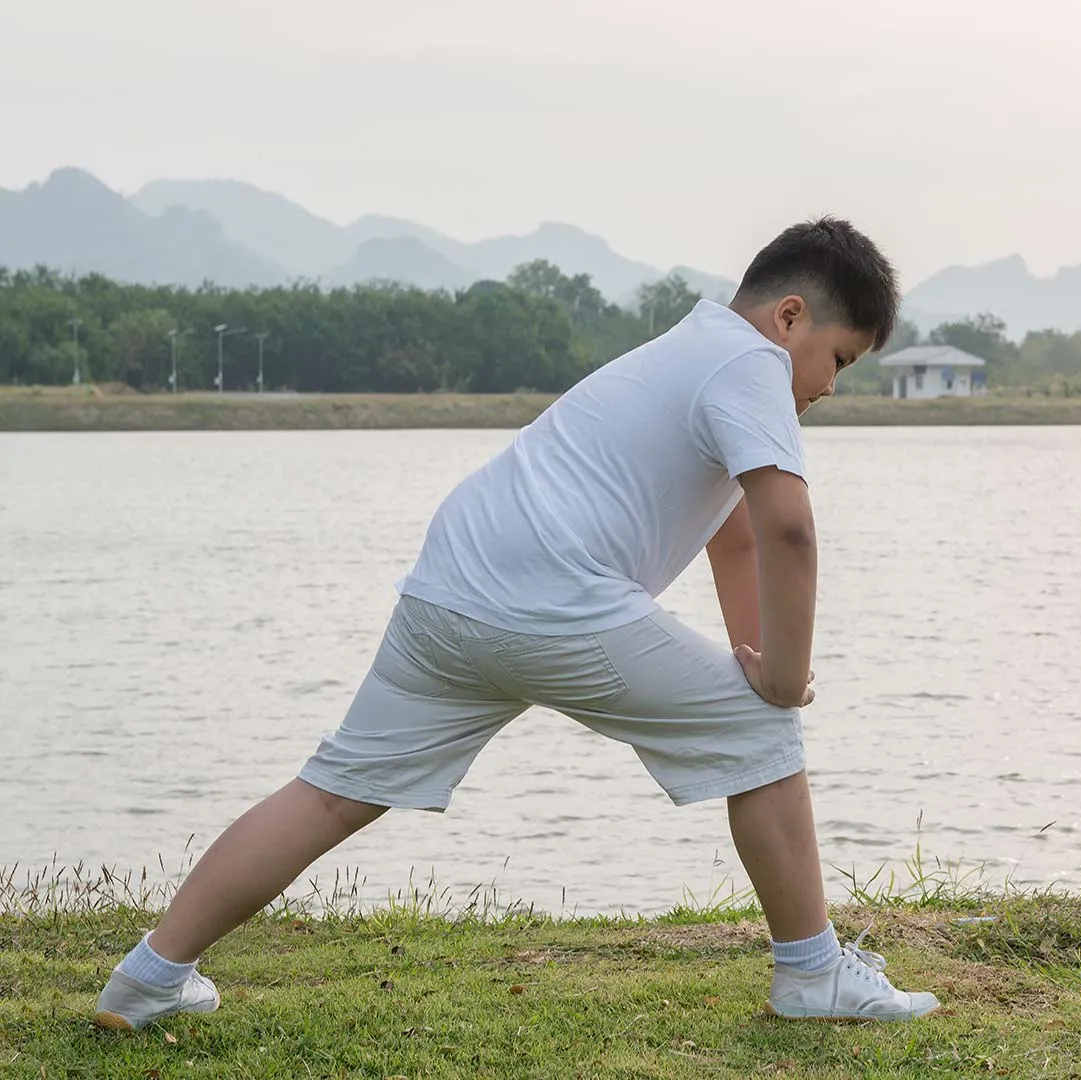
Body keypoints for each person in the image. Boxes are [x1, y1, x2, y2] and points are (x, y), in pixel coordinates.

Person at [92, 217, 940, 1029]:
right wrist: (781, 686)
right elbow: (789, 527)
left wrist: (755, 656)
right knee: (763, 734)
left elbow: (737, 540)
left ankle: (148, 977)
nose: (830, 386)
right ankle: (811, 973)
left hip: (450, 587)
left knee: (333, 792)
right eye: (838, 358)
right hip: (551, 598)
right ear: (788, 318)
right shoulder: (750, 365)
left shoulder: (684, 351)